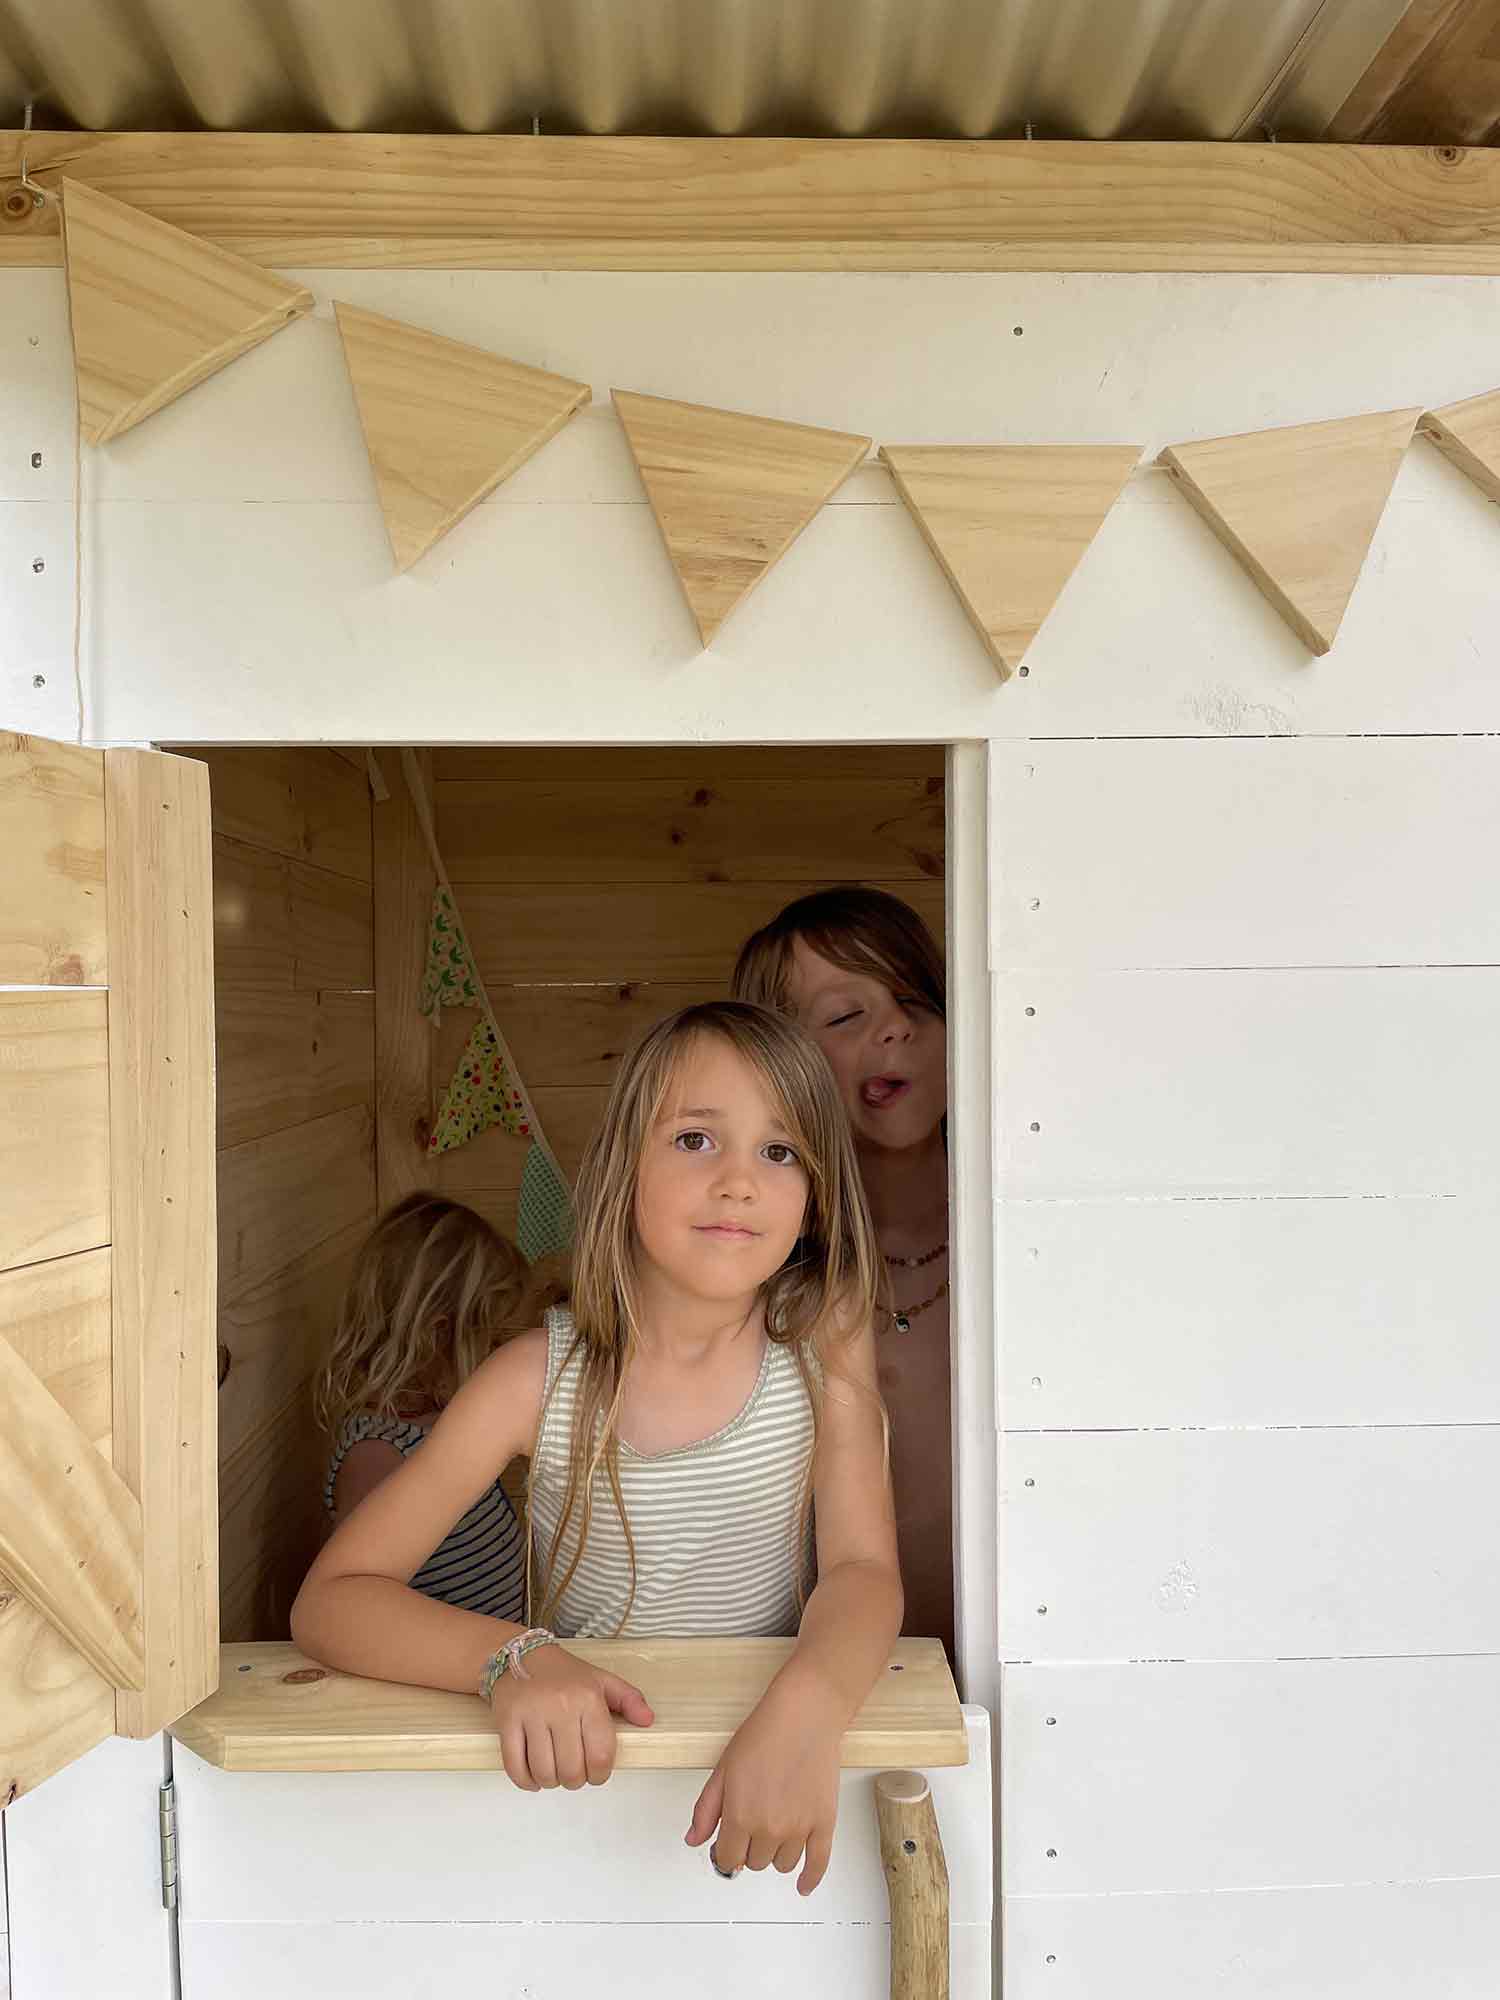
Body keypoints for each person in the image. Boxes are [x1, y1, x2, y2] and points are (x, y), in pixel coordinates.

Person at [292, 1001, 901, 1896]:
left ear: (813, 1200)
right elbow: (332, 1604)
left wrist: (811, 1707)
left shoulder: (825, 1334)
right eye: (697, 1139)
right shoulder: (533, 1377)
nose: (739, 1181)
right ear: (624, 1166)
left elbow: (862, 1568)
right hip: (586, 1771)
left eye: (780, 1152)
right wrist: (512, 1659)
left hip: (764, 1754)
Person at [732, 886, 952, 1657]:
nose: (896, 1025)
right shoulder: (757, 1272)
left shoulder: (1024, 1239)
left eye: (916, 1000)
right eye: (845, 1016)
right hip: (830, 1681)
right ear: (779, 1064)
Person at [316, 1191, 532, 1623]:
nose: (499, 1358)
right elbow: (358, 1597)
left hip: (489, 1661)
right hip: (434, 1675)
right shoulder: (376, 1453)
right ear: (438, 1337)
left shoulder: (448, 1422)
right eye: (491, 1342)